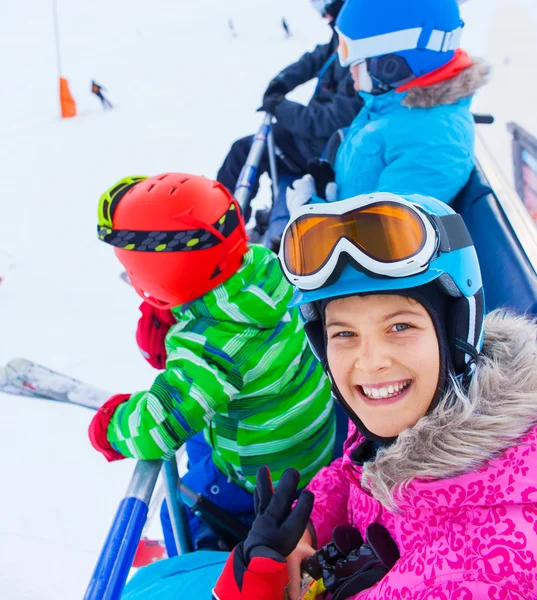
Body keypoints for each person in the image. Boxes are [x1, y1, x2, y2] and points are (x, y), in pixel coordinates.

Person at [213, 191, 537, 598]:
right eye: (344, 333)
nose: (369, 362)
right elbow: (355, 471)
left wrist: (256, 592)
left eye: (400, 326)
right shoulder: (417, 409)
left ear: (456, 334)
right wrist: (305, 528)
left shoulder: (481, 570)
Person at [88, 173, 335, 554]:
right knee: (202, 439)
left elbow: (157, 427)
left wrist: (112, 425)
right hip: (311, 438)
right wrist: (180, 311)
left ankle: (201, 552)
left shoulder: (210, 345)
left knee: (179, 508)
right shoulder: (265, 267)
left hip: (267, 480)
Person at [287, 0, 491, 214]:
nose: (350, 72)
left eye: (356, 61)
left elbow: (383, 239)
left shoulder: (433, 140)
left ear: (391, 66)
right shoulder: (390, 104)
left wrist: (310, 211)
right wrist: (330, 191)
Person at [217, 0, 362, 245]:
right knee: (257, 148)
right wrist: (281, 83)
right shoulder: (342, 40)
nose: (324, 16)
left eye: (325, 8)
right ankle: (234, 222)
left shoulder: (359, 54)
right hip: (312, 139)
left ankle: (224, 230)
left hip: (323, 147)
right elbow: (314, 60)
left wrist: (279, 107)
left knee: (247, 150)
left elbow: (331, 119)